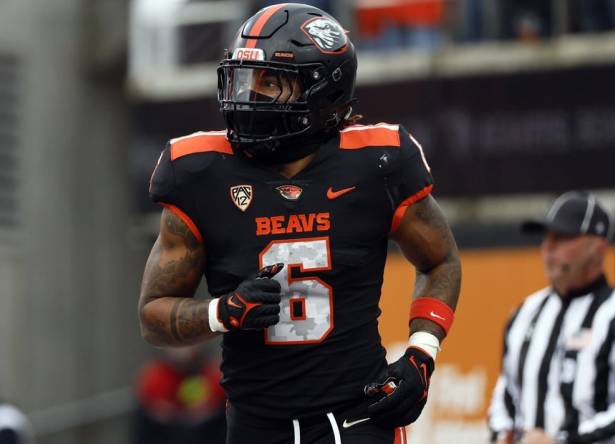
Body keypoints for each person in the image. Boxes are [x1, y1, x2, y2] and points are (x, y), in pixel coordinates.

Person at [137, 3, 461, 443]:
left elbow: (440, 259)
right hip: (256, 422)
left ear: (322, 92)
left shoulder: (379, 161)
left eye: (270, 83)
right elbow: (152, 314)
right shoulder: (198, 171)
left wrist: (422, 353)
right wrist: (222, 312)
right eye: (245, 79)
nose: (249, 96)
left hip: (356, 415)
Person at [488, 191, 615, 444]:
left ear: (598, 247)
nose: (548, 247)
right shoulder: (525, 313)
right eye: (546, 237)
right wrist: (502, 434)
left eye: (562, 237)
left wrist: (565, 442)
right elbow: (506, 394)